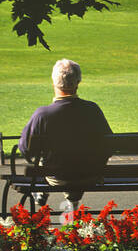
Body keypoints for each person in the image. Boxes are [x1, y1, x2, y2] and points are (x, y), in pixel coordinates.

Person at [17, 59, 113, 209]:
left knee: (47, 165)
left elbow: (26, 149)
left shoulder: (42, 114)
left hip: (56, 176)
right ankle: (72, 200)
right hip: (89, 175)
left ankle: (43, 192)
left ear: (54, 82)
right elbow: (109, 145)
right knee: (76, 163)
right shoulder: (92, 110)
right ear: (78, 82)